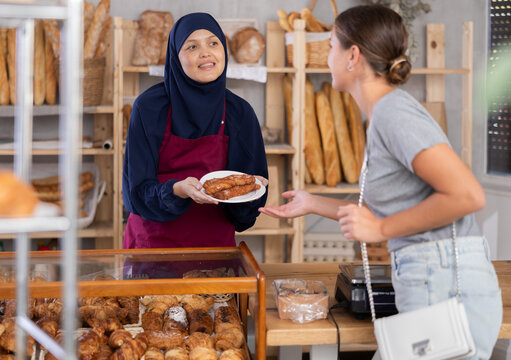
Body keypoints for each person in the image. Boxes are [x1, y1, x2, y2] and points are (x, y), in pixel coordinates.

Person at [259, 5, 502, 359]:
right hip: (434, 281)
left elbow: (467, 195)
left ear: (352, 56)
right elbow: (394, 208)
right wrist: (313, 203)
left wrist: (382, 227)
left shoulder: (393, 113)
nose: (328, 58)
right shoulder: (384, 115)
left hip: (446, 285)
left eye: (331, 46)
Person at [123, 12, 268, 250]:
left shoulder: (239, 113)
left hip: (214, 250)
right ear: (175, 57)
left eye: (213, 43)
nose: (206, 53)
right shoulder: (149, 107)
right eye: (191, 46)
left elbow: (246, 217)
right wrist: (177, 190)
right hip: (152, 248)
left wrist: (252, 192)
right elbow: (135, 193)